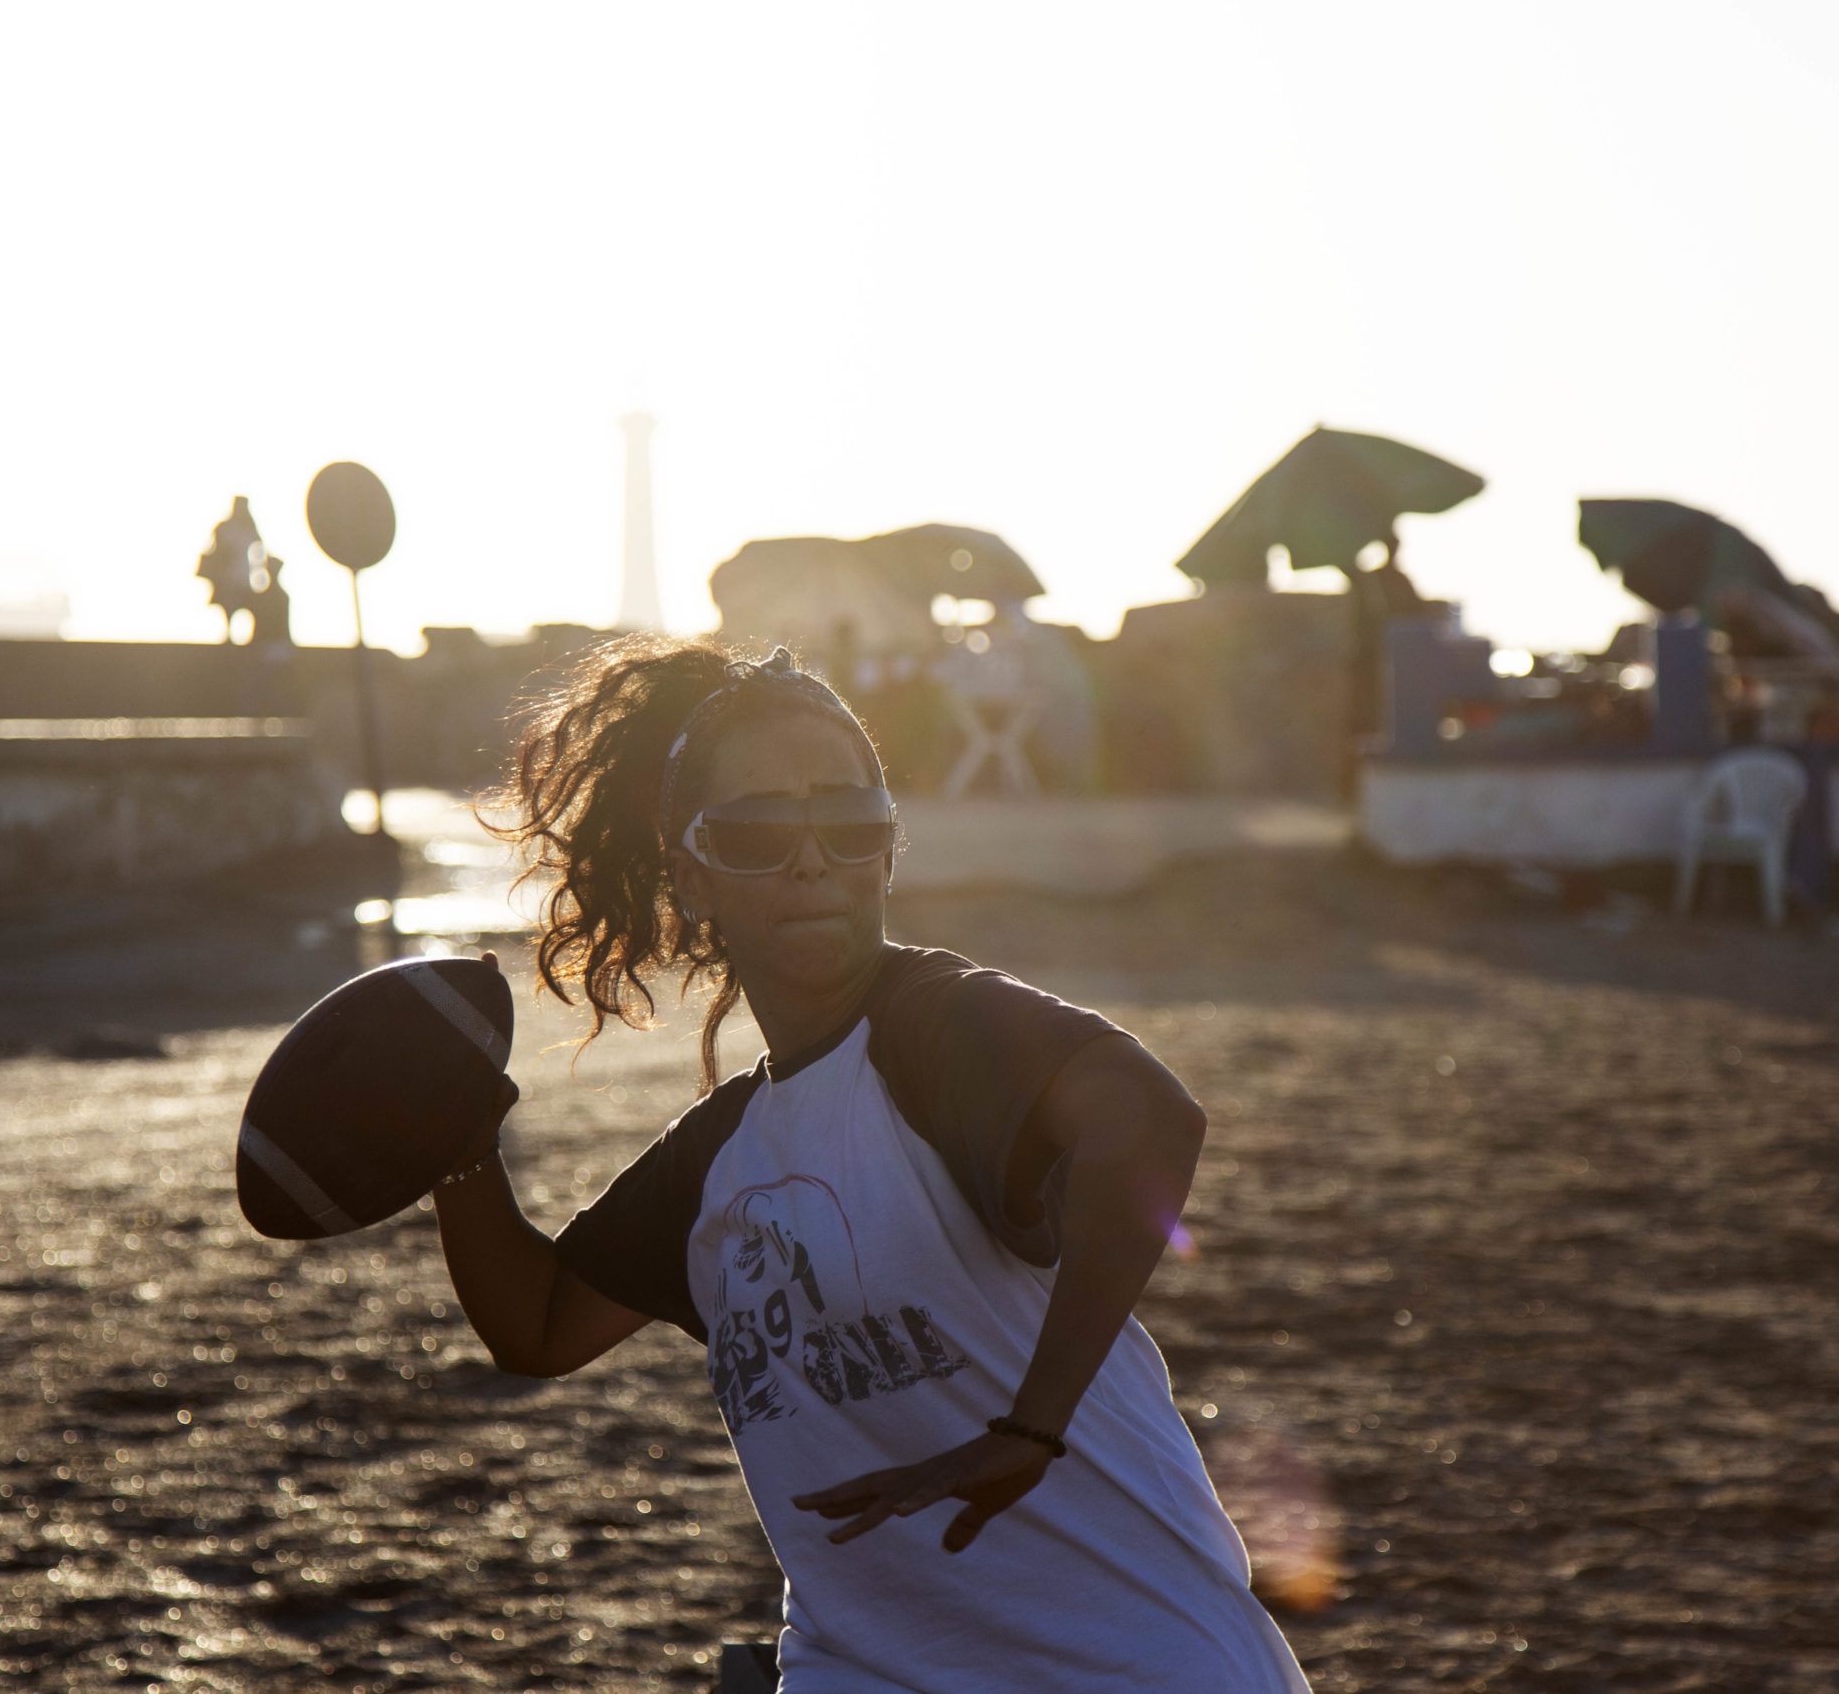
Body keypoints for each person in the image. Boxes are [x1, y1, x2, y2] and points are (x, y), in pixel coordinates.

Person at [432, 639, 1310, 1691]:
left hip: (1133, 1658)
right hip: (861, 1665)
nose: (810, 860)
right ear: (691, 872)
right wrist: (456, 1148)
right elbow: (536, 1328)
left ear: (888, 851)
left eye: (848, 825)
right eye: (757, 831)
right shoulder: (717, 1160)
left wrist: (1029, 1426)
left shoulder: (938, 1030)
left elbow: (1151, 1123)